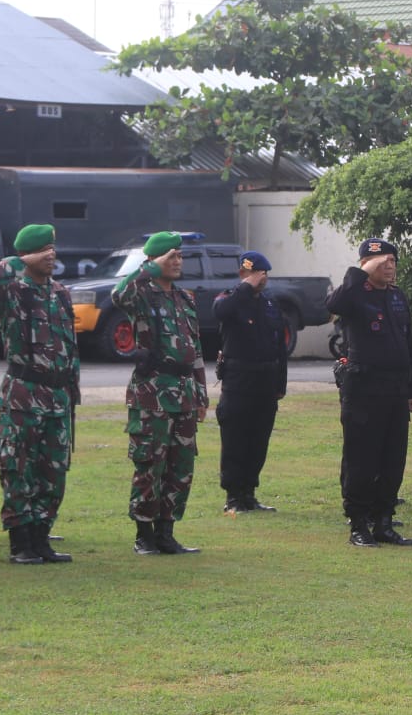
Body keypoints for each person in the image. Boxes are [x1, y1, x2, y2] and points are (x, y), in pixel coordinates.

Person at [0, 224, 79, 564]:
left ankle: (42, 538)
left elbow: (69, 345)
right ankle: (20, 543)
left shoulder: (60, 293)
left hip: (57, 396)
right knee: (18, 468)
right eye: (42, 250)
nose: (51, 254)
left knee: (53, 472)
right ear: (25, 255)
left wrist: (72, 390)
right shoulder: (12, 291)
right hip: (24, 394)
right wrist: (19, 262)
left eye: (52, 248)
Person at [113, 230, 209, 556]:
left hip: (184, 393)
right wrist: (149, 268)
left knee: (180, 467)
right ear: (154, 260)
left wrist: (201, 393)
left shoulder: (185, 299)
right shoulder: (142, 295)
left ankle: (166, 533)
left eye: (180, 256)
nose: (178, 261)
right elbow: (118, 294)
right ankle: (144, 535)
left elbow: (196, 350)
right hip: (152, 394)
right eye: (171, 257)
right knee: (149, 465)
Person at [327, 238, 412, 547]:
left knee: (392, 460)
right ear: (367, 265)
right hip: (364, 390)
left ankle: (384, 522)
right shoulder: (354, 294)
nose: (390, 267)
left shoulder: (396, 296)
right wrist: (361, 272)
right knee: (362, 460)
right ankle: (358, 524)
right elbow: (333, 305)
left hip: (395, 389)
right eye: (383, 262)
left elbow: (407, 344)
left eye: (393, 261)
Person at [212, 250, 287, 514]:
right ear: (242, 274)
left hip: (265, 381)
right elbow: (220, 312)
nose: (261, 278)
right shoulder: (230, 299)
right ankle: (233, 496)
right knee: (236, 439)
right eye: (255, 274)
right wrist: (245, 288)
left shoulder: (270, 304)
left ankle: (249, 493)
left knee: (258, 439)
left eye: (264, 274)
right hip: (239, 380)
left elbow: (280, 347)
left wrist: (280, 385)